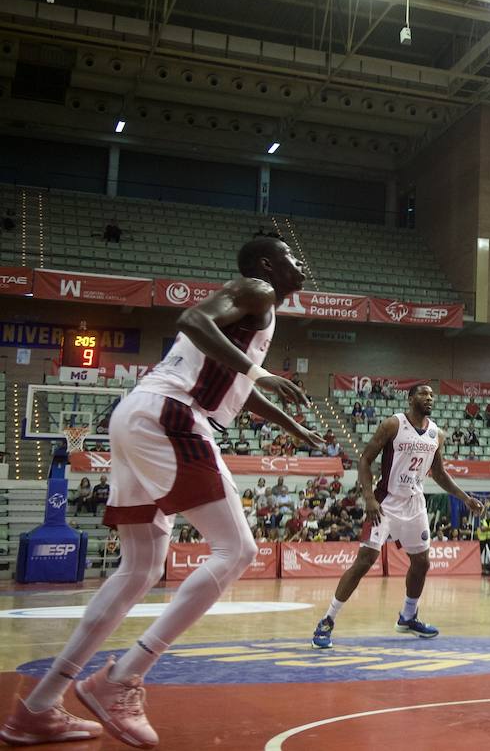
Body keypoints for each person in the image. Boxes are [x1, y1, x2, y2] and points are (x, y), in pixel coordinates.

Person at [2, 236, 318, 748]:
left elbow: (235, 387)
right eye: (291, 256)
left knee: (140, 569)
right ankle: (122, 679)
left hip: (137, 415)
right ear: (266, 265)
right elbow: (192, 319)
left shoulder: (259, 309)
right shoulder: (256, 289)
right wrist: (260, 371)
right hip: (171, 415)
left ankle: (37, 708)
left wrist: (288, 421)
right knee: (237, 549)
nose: (300, 263)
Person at [311, 384, 482, 649]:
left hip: (415, 504)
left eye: (432, 395)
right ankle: (327, 620)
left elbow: (439, 473)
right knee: (365, 560)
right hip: (385, 503)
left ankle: (408, 616)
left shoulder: (436, 434)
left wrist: (465, 497)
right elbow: (365, 460)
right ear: (410, 397)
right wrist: (368, 497)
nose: (429, 398)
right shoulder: (393, 424)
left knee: (422, 562)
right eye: (424, 394)